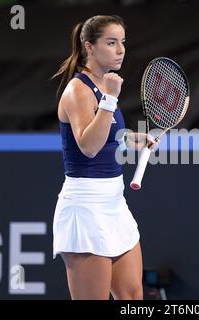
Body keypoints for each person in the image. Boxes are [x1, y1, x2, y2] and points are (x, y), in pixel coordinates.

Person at [51, 15, 157, 300]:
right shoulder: (79, 90)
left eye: (122, 42)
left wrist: (134, 140)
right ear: (90, 47)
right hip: (85, 208)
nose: (120, 49)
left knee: (133, 299)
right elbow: (88, 147)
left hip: (114, 204)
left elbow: (109, 136)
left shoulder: (106, 85)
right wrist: (110, 99)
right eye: (111, 43)